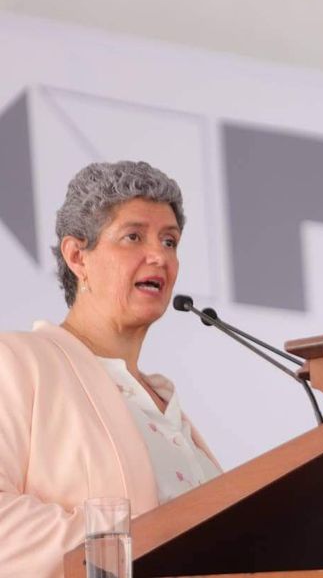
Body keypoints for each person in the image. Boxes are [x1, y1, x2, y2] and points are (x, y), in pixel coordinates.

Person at [0, 161, 221, 577]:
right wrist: (125, 546)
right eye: (133, 236)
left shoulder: (165, 404)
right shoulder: (16, 362)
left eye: (170, 241)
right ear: (77, 256)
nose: (159, 256)